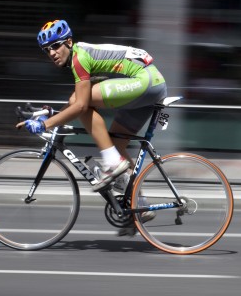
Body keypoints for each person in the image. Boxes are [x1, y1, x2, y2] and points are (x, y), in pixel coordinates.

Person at [16, 19, 168, 207]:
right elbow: (76, 103)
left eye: (55, 45)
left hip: (145, 80)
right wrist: (51, 114)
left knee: (82, 105)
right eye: (47, 50)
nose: (52, 53)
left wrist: (45, 124)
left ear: (68, 42)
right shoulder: (80, 55)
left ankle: (112, 164)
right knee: (114, 145)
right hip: (152, 84)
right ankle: (140, 205)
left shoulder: (79, 58)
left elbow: (79, 105)